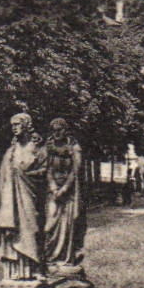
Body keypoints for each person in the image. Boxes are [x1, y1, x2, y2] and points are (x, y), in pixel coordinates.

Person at [0, 113, 48, 282]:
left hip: (29, 196)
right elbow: (4, 175)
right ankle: (13, 270)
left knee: (31, 230)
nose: (14, 128)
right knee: (12, 231)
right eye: (13, 125)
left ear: (26, 125)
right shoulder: (11, 151)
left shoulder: (37, 148)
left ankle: (32, 270)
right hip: (10, 199)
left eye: (18, 124)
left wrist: (27, 174)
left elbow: (45, 171)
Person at [43, 118, 85, 277]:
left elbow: (76, 171)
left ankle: (65, 259)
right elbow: (46, 168)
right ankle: (50, 259)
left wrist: (65, 188)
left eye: (59, 130)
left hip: (69, 193)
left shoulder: (74, 148)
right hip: (52, 191)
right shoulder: (48, 147)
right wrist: (53, 187)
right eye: (53, 130)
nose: (56, 133)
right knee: (50, 225)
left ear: (65, 130)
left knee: (68, 226)